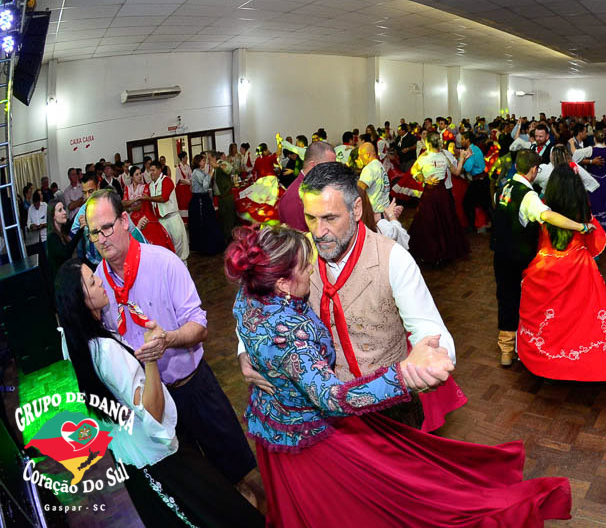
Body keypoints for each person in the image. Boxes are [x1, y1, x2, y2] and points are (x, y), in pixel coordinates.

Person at [228, 225, 571, 527]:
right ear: (283, 283)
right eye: (305, 267)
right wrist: (403, 375)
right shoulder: (291, 334)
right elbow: (333, 398)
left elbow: (248, 330)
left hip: (271, 431)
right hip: (310, 444)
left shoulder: (249, 293)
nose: (311, 272)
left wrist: (247, 353)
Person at [239, 161, 465, 431]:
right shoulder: (298, 254)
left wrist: (432, 358)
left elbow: (428, 327)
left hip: (389, 409)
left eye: (330, 218)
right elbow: (255, 293)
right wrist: (245, 349)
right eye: (311, 218)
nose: (318, 231)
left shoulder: (393, 258)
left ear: (356, 209)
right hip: (322, 411)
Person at [54, 259, 263, 527]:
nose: (100, 282)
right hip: (157, 458)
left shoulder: (73, 341)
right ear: (81, 301)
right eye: (93, 283)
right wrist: (150, 356)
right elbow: (151, 411)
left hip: (135, 457)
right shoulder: (105, 352)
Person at [87, 189, 260, 503]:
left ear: (124, 221)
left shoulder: (163, 263)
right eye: (94, 232)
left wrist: (168, 339)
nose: (102, 239)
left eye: (107, 227)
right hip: (157, 407)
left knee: (241, 473)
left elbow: (200, 326)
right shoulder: (98, 284)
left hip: (193, 387)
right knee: (203, 490)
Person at [518, 165, 606, 381]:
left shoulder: (545, 206)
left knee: (554, 317)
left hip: (547, 265)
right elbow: (595, 239)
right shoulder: (581, 207)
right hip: (578, 265)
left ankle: (548, 360)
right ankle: (594, 364)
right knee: (585, 317)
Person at [491, 150, 592, 367]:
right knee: (523, 298)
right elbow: (547, 215)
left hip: (500, 252)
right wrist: (580, 226)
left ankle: (506, 349)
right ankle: (525, 345)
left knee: (505, 297)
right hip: (519, 256)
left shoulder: (504, 187)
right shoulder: (528, 196)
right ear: (533, 170)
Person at [408, 131, 469, 265]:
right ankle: (445, 252)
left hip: (430, 193)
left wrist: (424, 179)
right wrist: (462, 158)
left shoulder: (424, 157)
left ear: (428, 144)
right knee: (445, 221)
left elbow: (413, 171)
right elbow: (456, 172)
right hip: (442, 193)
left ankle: (431, 253)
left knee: (428, 222)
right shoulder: (444, 156)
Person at [130, 162, 188, 262]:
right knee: (166, 246)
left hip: (172, 217)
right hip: (161, 220)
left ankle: (181, 266)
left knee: (178, 245)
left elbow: (164, 198)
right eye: (150, 171)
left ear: (159, 170)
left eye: (153, 170)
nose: (151, 173)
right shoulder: (151, 185)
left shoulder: (167, 180)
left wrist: (148, 198)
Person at [276, 141, 338, 232]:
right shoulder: (296, 197)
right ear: (313, 166)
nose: (332, 172)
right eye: (328, 167)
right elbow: (299, 237)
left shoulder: (315, 187)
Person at [122, 166, 175, 254]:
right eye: (136, 174)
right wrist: (135, 200)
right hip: (131, 220)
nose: (140, 176)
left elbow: (141, 205)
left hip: (144, 218)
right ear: (132, 177)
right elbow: (124, 203)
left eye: (140, 174)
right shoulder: (127, 188)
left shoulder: (145, 187)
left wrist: (129, 207)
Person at [188, 154, 226, 255]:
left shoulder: (201, 171)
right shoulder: (196, 172)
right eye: (203, 161)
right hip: (199, 199)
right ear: (198, 162)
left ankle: (212, 245)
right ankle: (205, 247)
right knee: (204, 222)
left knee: (209, 221)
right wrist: (212, 171)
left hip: (204, 198)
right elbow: (205, 186)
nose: (204, 162)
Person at [455, 130, 492, 233]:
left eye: (463, 139)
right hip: (484, 179)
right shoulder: (476, 148)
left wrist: (461, 161)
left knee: (467, 203)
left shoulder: (470, 151)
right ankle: (494, 225)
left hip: (478, 181)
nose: (461, 141)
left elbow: (467, 168)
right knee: (486, 204)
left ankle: (471, 227)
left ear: (468, 140)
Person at [46, 201, 79, 275]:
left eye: (64, 209)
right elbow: (66, 252)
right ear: (53, 216)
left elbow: (72, 223)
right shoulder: (52, 237)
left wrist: (80, 211)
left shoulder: (62, 229)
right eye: (60, 210)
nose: (64, 212)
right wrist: (80, 231)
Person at [357, 141, 390, 215]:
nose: (359, 158)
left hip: (375, 213)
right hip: (385, 211)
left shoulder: (369, 168)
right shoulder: (379, 165)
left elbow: (359, 190)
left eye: (360, 155)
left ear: (367, 155)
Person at [212, 151, 238, 241]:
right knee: (223, 220)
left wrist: (218, 165)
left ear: (214, 158)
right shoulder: (212, 168)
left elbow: (232, 170)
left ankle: (230, 240)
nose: (208, 161)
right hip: (221, 197)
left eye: (209, 159)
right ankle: (226, 239)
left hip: (226, 197)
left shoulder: (222, 163)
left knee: (229, 220)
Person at [25, 190, 47, 260]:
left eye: (37, 205)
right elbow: (28, 223)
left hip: (45, 237)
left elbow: (50, 220)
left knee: (48, 257)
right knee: (39, 259)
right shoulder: (30, 209)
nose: (36, 207)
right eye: (35, 205)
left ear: (40, 201)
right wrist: (32, 226)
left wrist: (43, 225)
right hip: (36, 240)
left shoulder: (45, 206)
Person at [174, 151, 193, 220]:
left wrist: (191, 183)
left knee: (189, 203)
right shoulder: (178, 168)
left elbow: (191, 176)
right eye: (185, 157)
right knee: (183, 204)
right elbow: (180, 180)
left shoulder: (188, 166)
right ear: (182, 158)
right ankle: (184, 220)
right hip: (182, 189)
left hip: (188, 188)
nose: (187, 158)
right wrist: (189, 183)